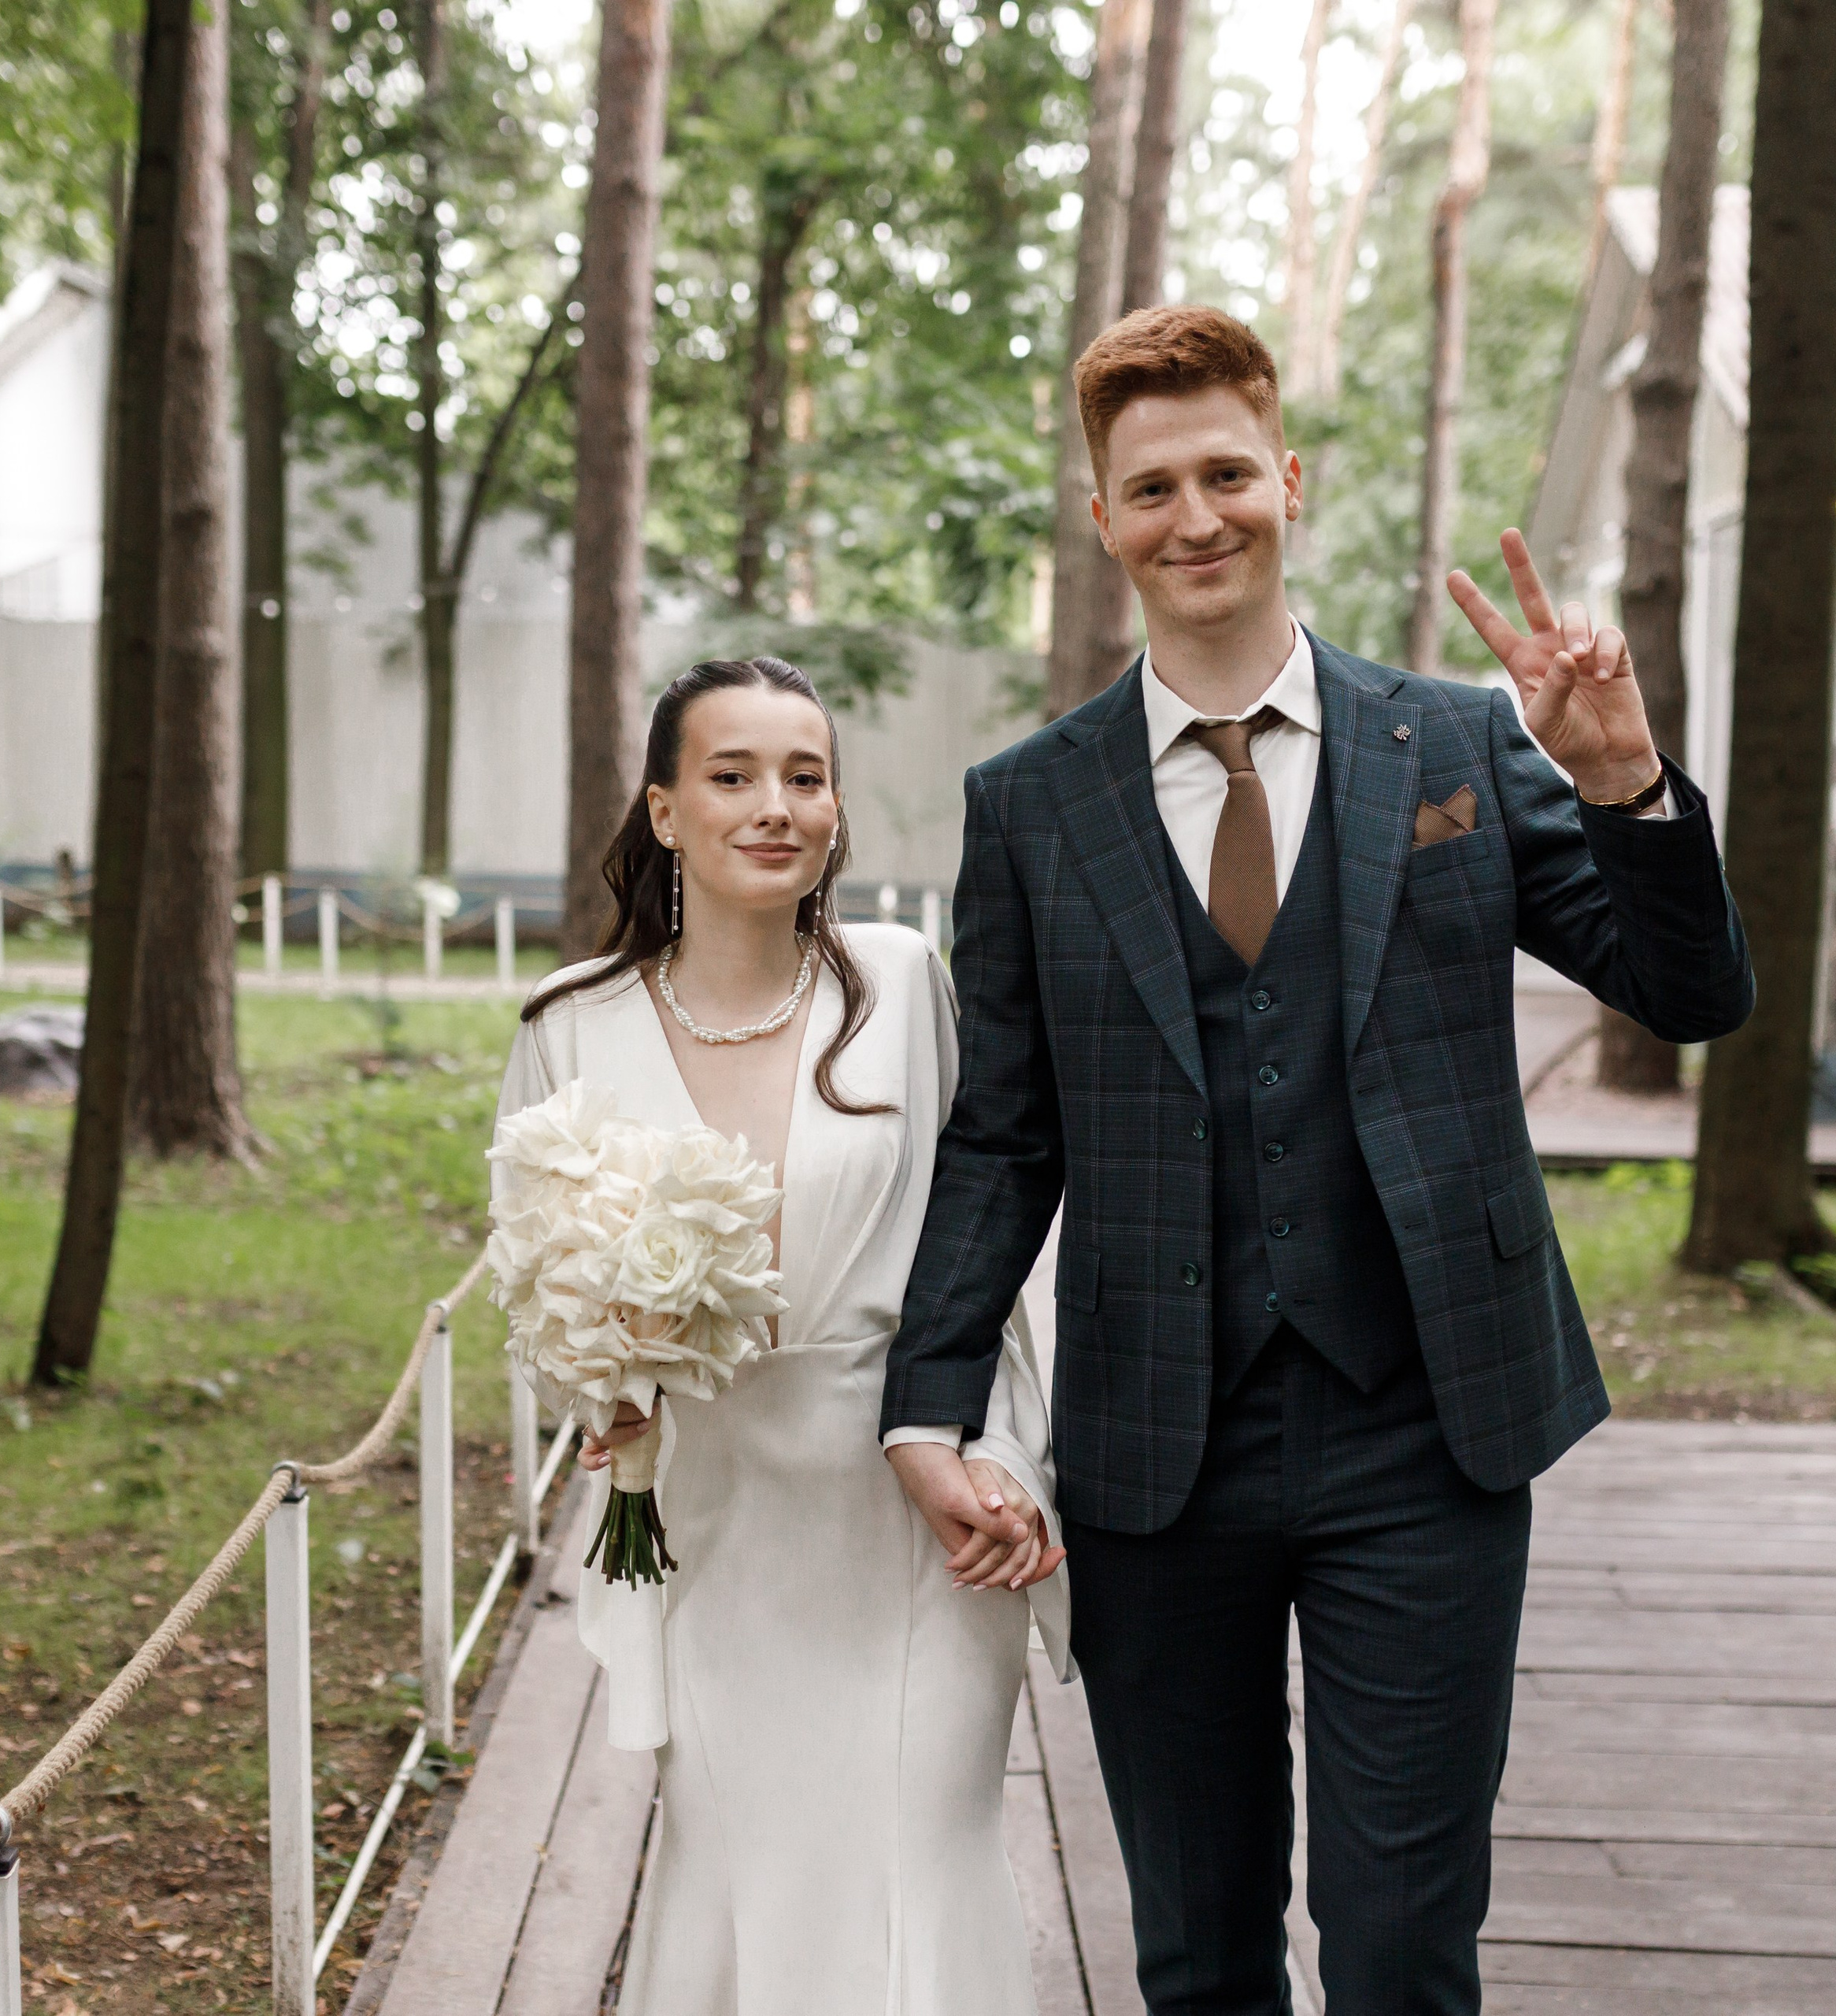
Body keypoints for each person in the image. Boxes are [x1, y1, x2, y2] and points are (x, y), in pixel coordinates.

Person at [880, 306, 1753, 2014]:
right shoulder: (1029, 806)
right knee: (1198, 1949)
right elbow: (1002, 1132)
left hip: (1424, 1428)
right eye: (1150, 488)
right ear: (1102, 518)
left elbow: (1689, 991)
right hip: (1155, 1447)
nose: (1192, 515)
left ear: (1288, 479)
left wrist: (1628, 786)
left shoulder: (1455, 743)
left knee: (1401, 1944)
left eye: (1224, 472)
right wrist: (928, 1405)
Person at [491, 658, 1069, 2016]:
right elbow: (534, 1282)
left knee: (923, 1856)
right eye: (732, 776)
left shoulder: (903, 982)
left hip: (910, 1504)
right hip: (715, 1517)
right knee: (742, 1862)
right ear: (665, 811)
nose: (775, 808)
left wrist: (1012, 1462)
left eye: (805, 778)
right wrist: (602, 1385)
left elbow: (985, 1242)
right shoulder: (569, 1025)